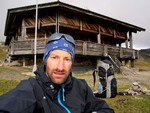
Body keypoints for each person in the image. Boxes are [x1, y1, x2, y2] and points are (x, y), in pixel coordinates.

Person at [0, 33, 114, 113]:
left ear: (72, 62)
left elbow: (105, 109)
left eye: (67, 59)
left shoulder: (81, 87)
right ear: (45, 60)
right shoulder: (32, 88)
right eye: (54, 57)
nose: (60, 67)